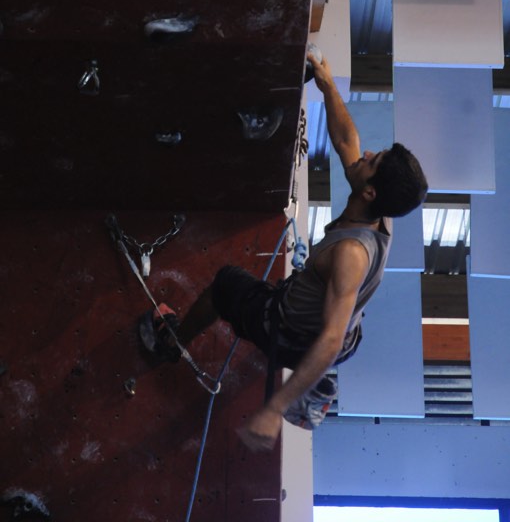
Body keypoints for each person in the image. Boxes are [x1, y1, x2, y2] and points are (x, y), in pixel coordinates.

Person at [139, 54, 428, 451]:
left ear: (369, 191)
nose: (366, 154)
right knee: (321, 317)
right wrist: (327, 85)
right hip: (349, 335)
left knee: (226, 285)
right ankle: (312, 376)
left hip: (297, 334)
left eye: (372, 161)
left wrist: (274, 409)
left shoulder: (351, 254)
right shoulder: (381, 209)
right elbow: (347, 142)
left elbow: (330, 338)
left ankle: (171, 345)